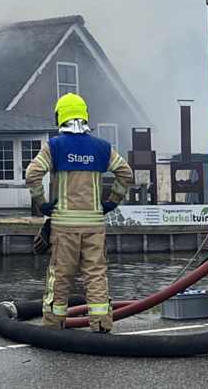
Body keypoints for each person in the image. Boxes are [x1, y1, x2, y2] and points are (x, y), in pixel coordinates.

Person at [24, 93, 133, 333]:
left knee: (60, 277)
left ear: (59, 117)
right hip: (94, 226)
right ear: (85, 117)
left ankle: (53, 327)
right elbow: (126, 174)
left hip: (64, 228)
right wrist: (112, 201)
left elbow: (32, 175)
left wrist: (42, 203)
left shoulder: (54, 147)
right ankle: (102, 326)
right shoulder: (102, 147)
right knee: (95, 276)